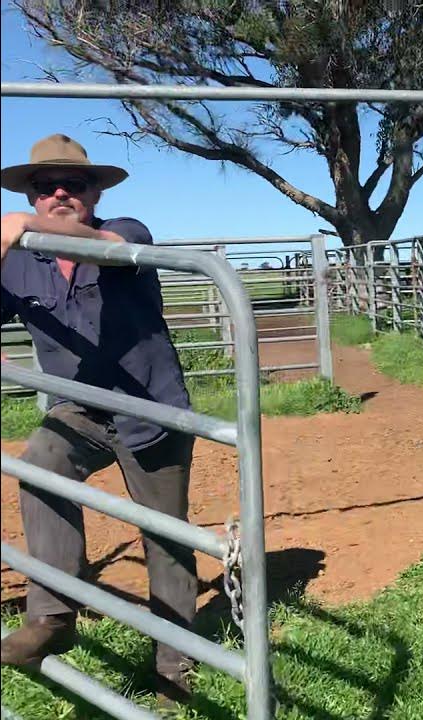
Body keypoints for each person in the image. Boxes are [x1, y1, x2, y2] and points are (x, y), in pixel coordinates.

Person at [0, 134, 197, 706]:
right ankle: (53, 617)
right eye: (45, 186)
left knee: (165, 535)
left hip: (150, 408)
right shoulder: (20, 262)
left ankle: (175, 669)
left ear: (95, 193)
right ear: (32, 194)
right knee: (41, 465)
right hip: (80, 408)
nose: (59, 193)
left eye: (74, 183)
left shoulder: (126, 231)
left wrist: (18, 225)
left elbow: (105, 248)